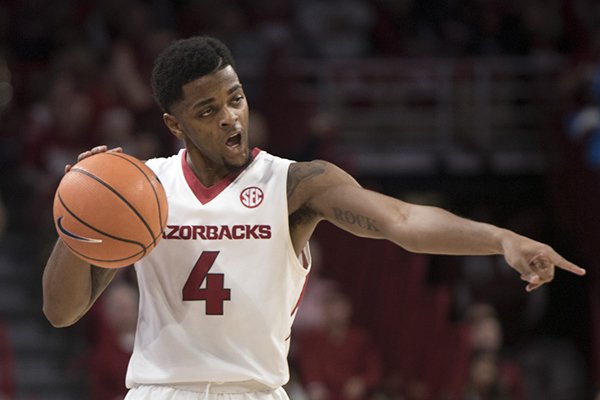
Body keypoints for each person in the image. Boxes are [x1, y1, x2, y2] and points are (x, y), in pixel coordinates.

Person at [42, 36, 586, 400]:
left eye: (235, 99)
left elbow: (401, 220)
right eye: (207, 111)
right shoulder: (143, 188)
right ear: (174, 124)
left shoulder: (296, 184)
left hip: (255, 391)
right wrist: (81, 216)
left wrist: (502, 239)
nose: (231, 117)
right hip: (160, 391)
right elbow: (61, 312)